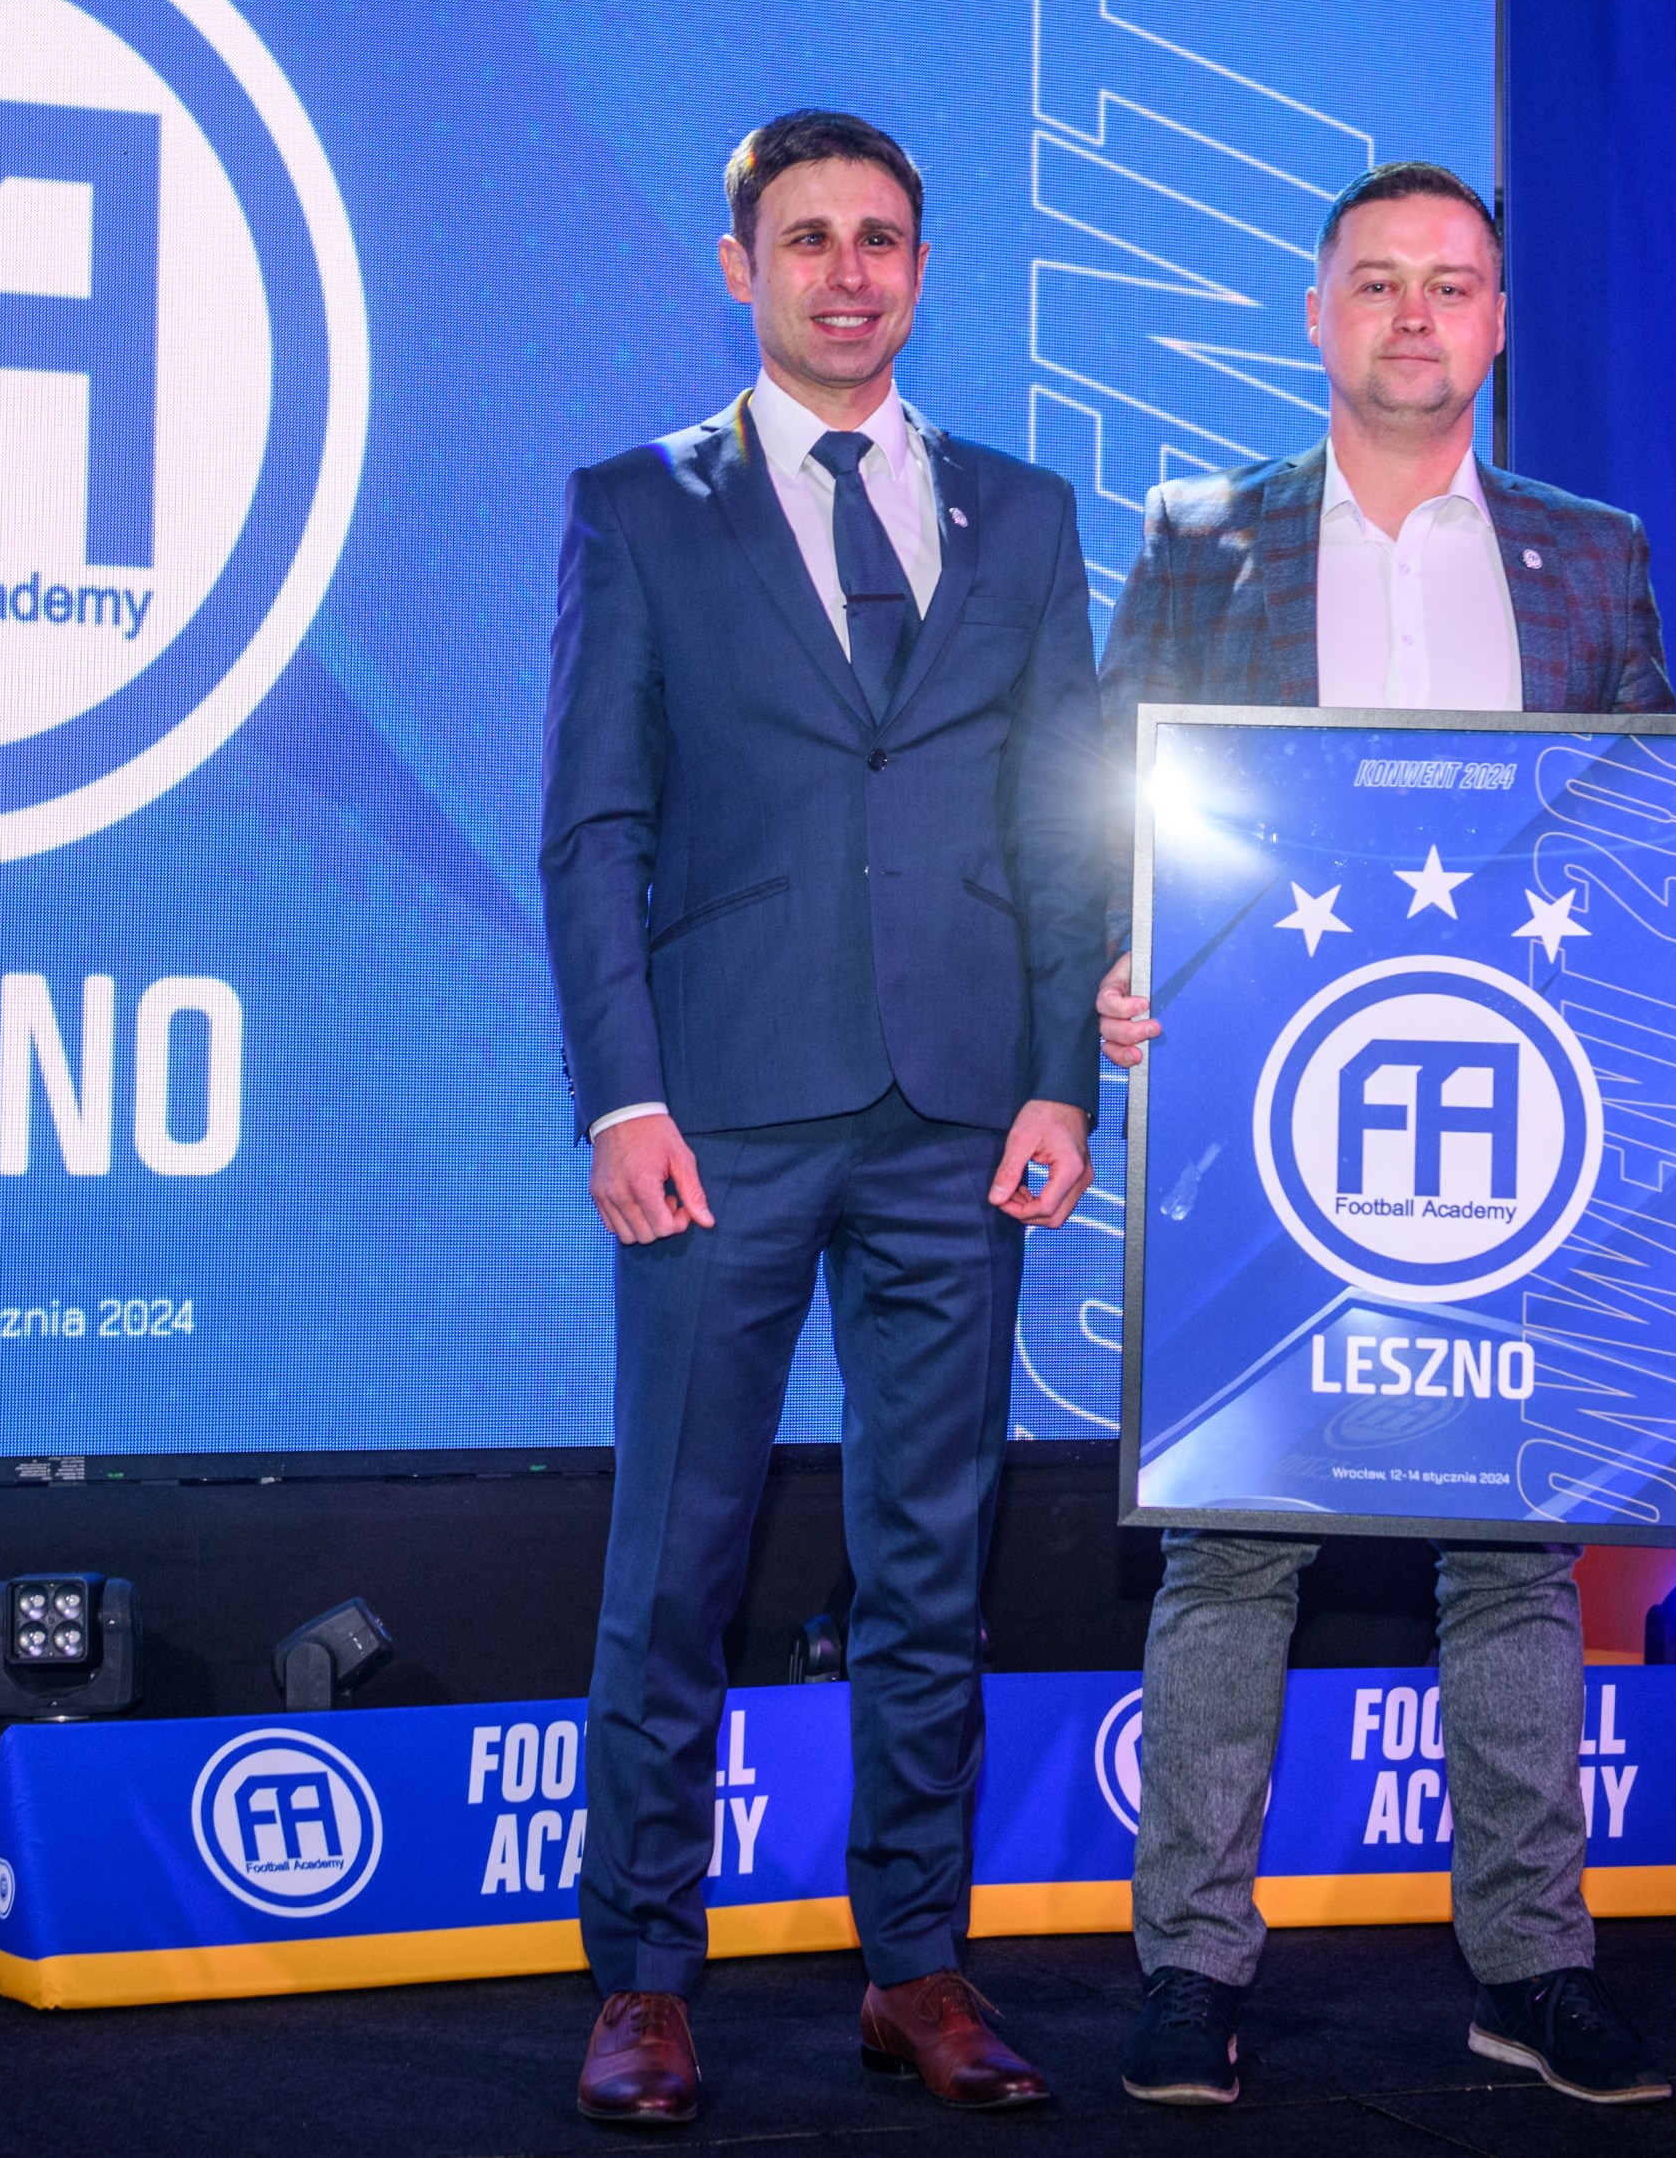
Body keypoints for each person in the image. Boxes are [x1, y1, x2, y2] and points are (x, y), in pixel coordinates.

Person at [1093, 160, 1676, 2112]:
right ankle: (1186, 1970)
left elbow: (1645, 812)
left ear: (1495, 323)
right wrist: (1111, 967)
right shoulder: (1201, 539)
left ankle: (1532, 1968)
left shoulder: (1588, 556)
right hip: (1264, 1140)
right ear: (1316, 314)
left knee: (1512, 1562)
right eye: (1378, 281)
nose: (1415, 312)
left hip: (1512, 1148)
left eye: (1452, 283)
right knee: (1232, 1550)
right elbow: (1107, 803)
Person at [540, 109, 1109, 2127]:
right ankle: (641, 1977)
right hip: (720, 1116)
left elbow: (1067, 819)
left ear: (919, 270)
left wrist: (1063, 1077)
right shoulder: (637, 507)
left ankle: (916, 1965)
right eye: (807, 239)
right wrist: (620, 1094)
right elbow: (593, 829)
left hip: (960, 1115)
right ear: (740, 267)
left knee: (930, 1564)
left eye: (879, 239)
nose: (845, 272)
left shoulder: (1024, 513)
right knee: (673, 1559)